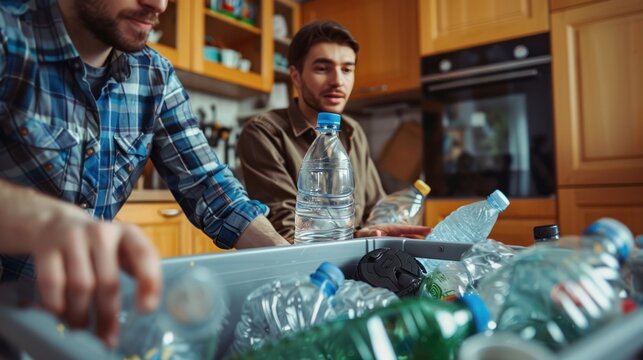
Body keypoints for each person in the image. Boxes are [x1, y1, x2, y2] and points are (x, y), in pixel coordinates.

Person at [0, 0, 289, 347]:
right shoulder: (8, 34)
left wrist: (289, 263)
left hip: (76, 328)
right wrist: (45, 221)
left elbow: (209, 186)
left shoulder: (154, 75)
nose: (159, 4)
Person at [237, 21, 431, 241]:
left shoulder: (352, 130)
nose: (338, 81)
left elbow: (374, 209)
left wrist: (390, 228)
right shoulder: (264, 133)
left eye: (347, 69)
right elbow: (287, 232)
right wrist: (359, 237)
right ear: (295, 76)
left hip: (357, 262)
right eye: (322, 68)